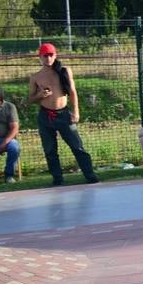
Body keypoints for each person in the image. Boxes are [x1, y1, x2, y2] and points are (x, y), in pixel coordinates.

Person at [28, 42, 98, 185]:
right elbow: (30, 99)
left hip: (64, 114)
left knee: (77, 146)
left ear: (55, 55)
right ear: (39, 57)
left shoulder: (64, 70)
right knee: (50, 150)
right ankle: (57, 179)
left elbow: (72, 92)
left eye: (50, 55)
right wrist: (40, 95)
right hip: (45, 116)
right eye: (45, 56)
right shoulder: (35, 77)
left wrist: (76, 111)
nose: (48, 58)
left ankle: (90, 175)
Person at [0, 85, 20, 184]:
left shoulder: (9, 107)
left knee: (14, 147)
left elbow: (14, 128)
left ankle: (9, 175)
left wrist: (3, 144)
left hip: (6, 139)